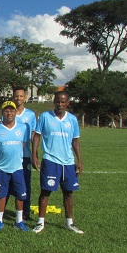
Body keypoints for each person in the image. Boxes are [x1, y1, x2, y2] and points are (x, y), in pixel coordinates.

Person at [31, 91, 83, 234]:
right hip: (50, 160)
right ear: (54, 102)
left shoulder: (72, 119)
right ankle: (40, 222)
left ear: (67, 103)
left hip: (68, 162)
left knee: (68, 192)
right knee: (46, 191)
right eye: (57, 101)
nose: (60, 104)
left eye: (62, 102)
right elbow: (37, 136)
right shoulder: (45, 117)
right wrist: (34, 154)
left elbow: (75, 140)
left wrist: (79, 160)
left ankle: (69, 223)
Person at [0, 101, 29, 231]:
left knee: (20, 195)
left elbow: (23, 144)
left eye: (12, 110)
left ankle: (19, 221)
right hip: (0, 168)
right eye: (6, 110)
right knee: (0, 195)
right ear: (2, 112)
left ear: (15, 112)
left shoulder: (22, 127)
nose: (9, 113)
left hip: (17, 168)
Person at [12, 87, 37, 220]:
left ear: (25, 97)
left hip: (25, 155)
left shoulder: (30, 115)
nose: (19, 98)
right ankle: (3, 210)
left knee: (26, 183)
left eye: (21, 96)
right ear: (13, 97)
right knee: (10, 183)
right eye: (16, 96)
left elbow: (33, 134)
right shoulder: (10, 112)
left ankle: (25, 211)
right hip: (11, 155)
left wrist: (34, 153)